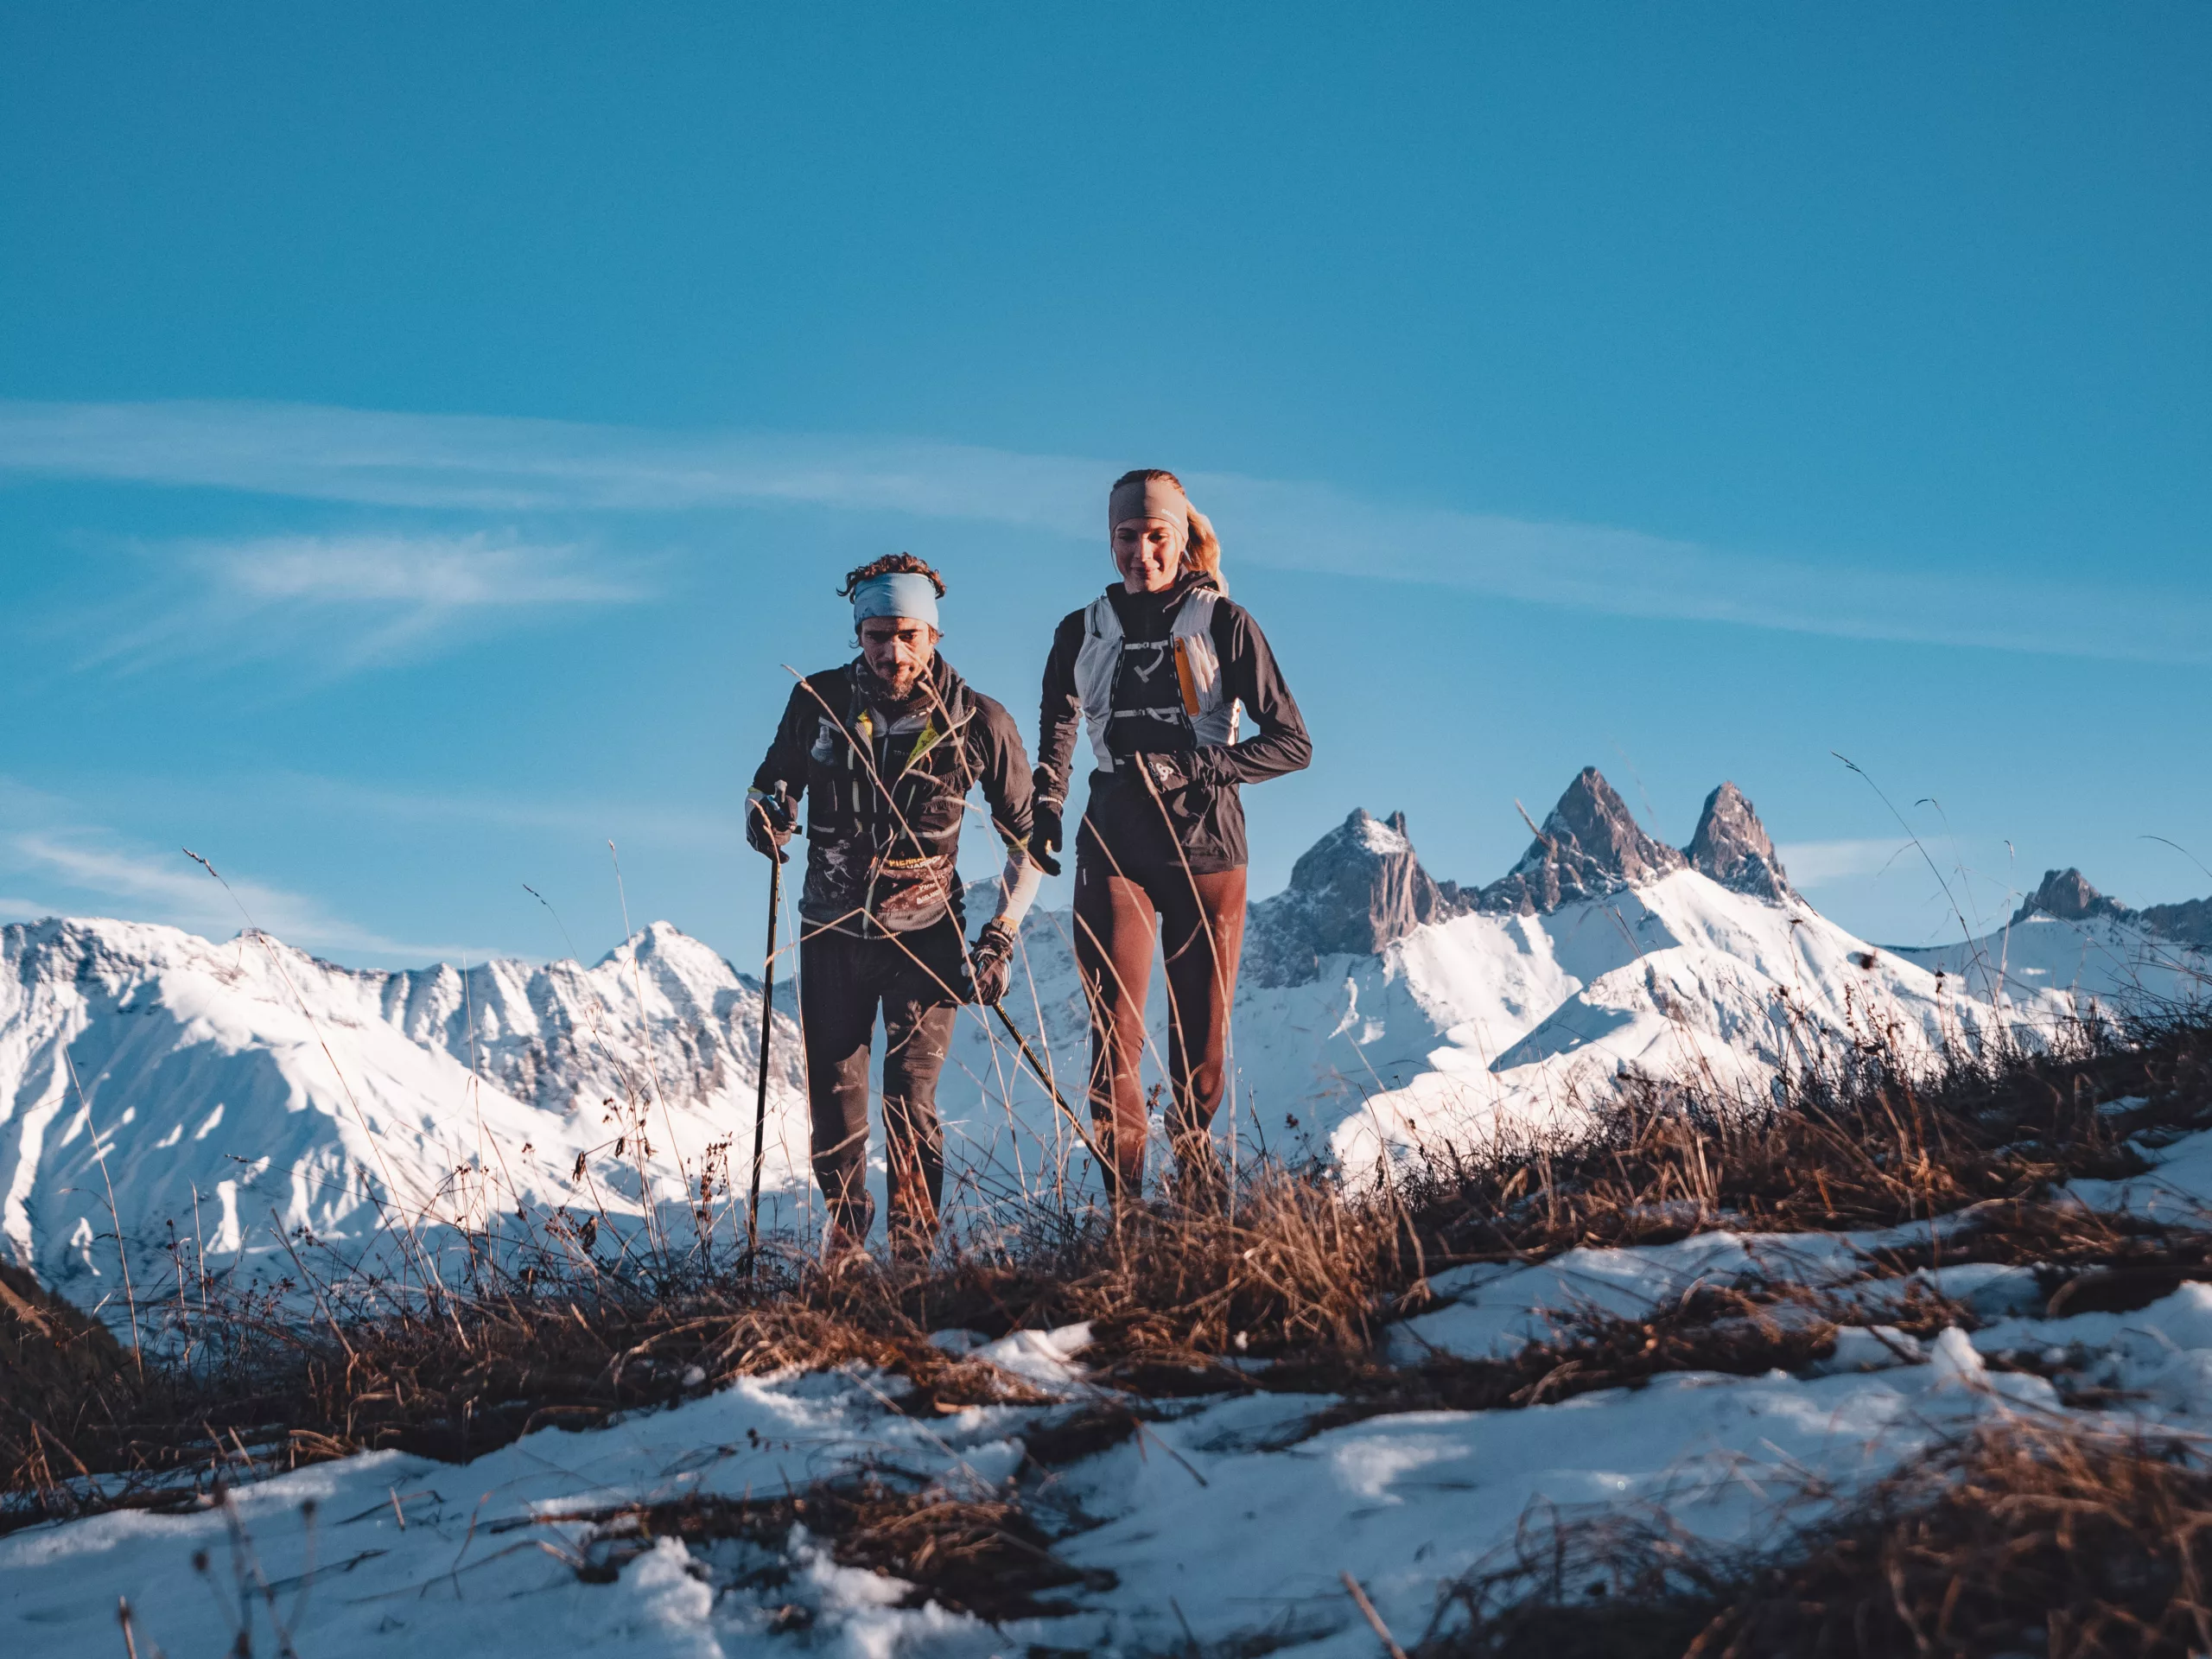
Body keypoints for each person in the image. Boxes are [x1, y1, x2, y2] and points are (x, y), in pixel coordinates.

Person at [747, 554, 1039, 1261]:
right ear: (858, 632)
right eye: (877, 634)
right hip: (830, 935)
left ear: (934, 635)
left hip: (927, 936)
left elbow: (1029, 846)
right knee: (835, 1105)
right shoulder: (815, 702)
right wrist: (767, 816)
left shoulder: (979, 720)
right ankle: (844, 1246)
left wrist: (999, 938)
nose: (892, 651)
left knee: (909, 1097)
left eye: (908, 635)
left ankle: (913, 1254)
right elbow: (767, 788)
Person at [1034, 470, 1312, 1199]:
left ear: (1182, 539)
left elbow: (1291, 743)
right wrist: (1047, 797)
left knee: (1202, 1055)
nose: (1142, 553)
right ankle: (1124, 1218)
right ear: (1111, 538)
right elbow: (1060, 719)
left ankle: (1196, 1183)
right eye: (1128, 537)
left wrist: (1195, 766)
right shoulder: (1080, 629)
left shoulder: (1225, 623)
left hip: (1207, 848)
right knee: (1111, 1042)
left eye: (1158, 537)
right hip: (1114, 839)